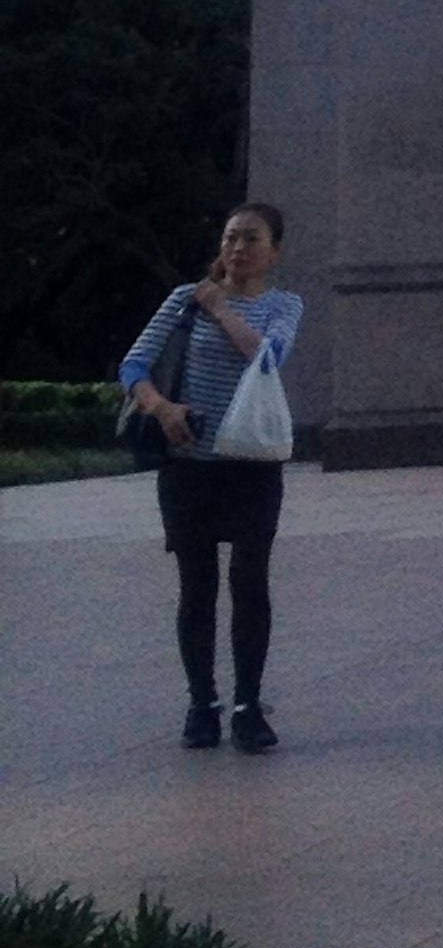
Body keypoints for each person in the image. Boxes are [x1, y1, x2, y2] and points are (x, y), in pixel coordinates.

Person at [118, 205, 305, 754]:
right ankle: (202, 703)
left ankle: (248, 705)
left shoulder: (282, 305)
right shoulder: (183, 300)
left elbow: (268, 359)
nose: (238, 247)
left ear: (274, 251)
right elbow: (134, 367)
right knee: (196, 587)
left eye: (251, 238)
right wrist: (163, 408)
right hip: (189, 467)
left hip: (252, 468)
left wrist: (222, 309)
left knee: (250, 585)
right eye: (230, 237)